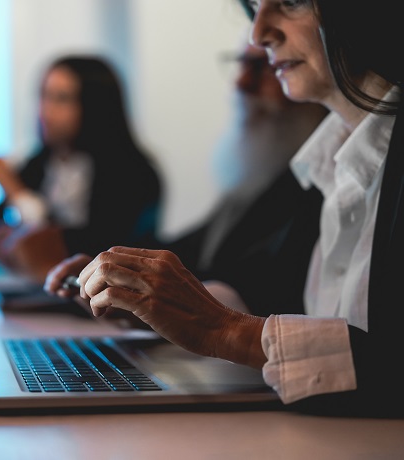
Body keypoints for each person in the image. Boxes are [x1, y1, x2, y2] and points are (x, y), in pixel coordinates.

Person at [45, 0, 404, 417]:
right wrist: (152, 305)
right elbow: (265, 282)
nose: (259, 31)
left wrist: (224, 330)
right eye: (254, 7)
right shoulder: (323, 161)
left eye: (289, 3)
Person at [0, 56, 163, 281]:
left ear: (95, 104)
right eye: (43, 96)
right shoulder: (40, 165)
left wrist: (12, 188)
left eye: (61, 99)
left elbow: (90, 251)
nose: (44, 111)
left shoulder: (134, 174)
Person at [163, 41, 328, 316]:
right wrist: (112, 266)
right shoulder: (258, 170)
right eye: (241, 64)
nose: (241, 82)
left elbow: (265, 283)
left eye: (264, 66)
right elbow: (188, 253)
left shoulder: (322, 178)